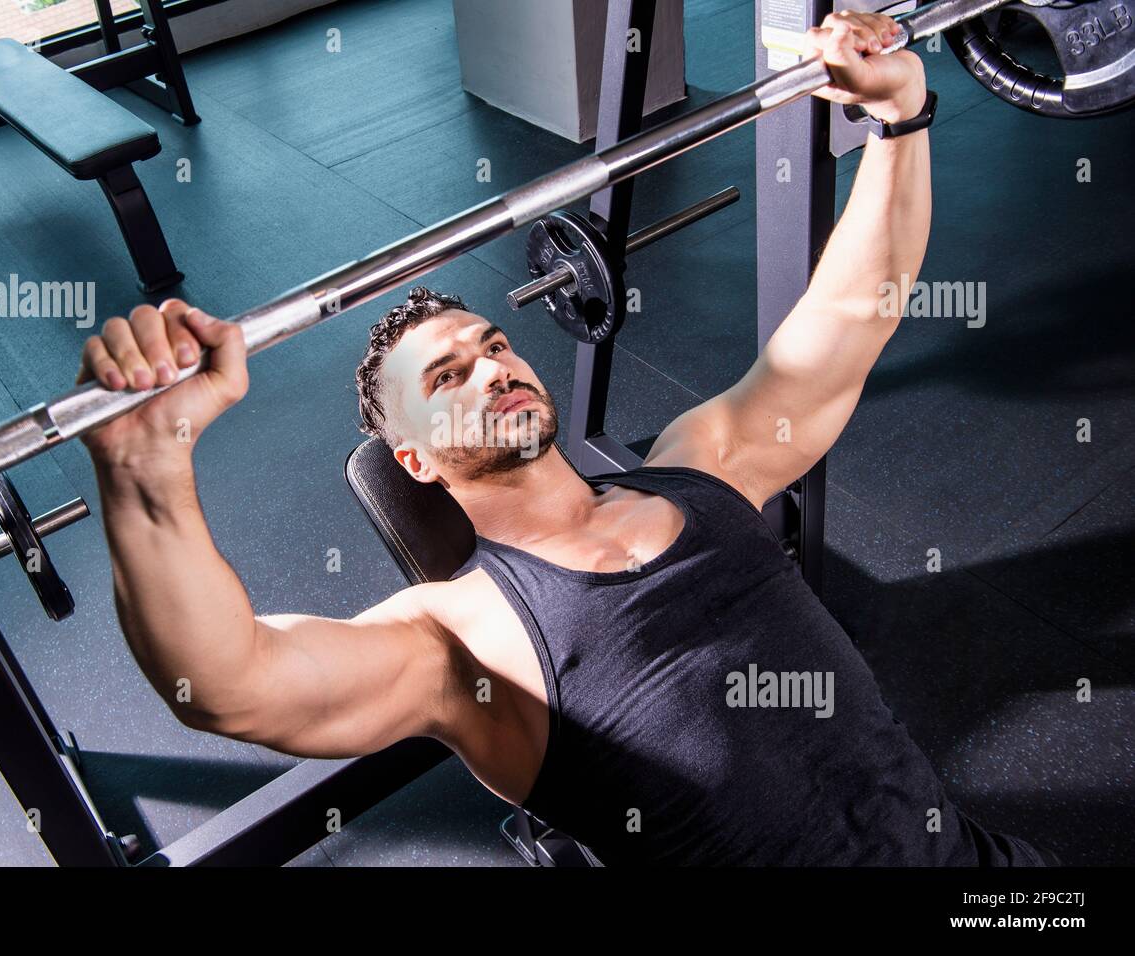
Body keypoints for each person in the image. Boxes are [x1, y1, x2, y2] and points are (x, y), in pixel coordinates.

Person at [76, 12, 1056, 865]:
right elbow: (233, 683)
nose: (492, 367)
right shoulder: (462, 642)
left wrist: (901, 116)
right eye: (448, 377)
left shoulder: (698, 468)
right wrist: (143, 470)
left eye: (493, 346)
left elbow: (848, 325)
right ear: (411, 457)